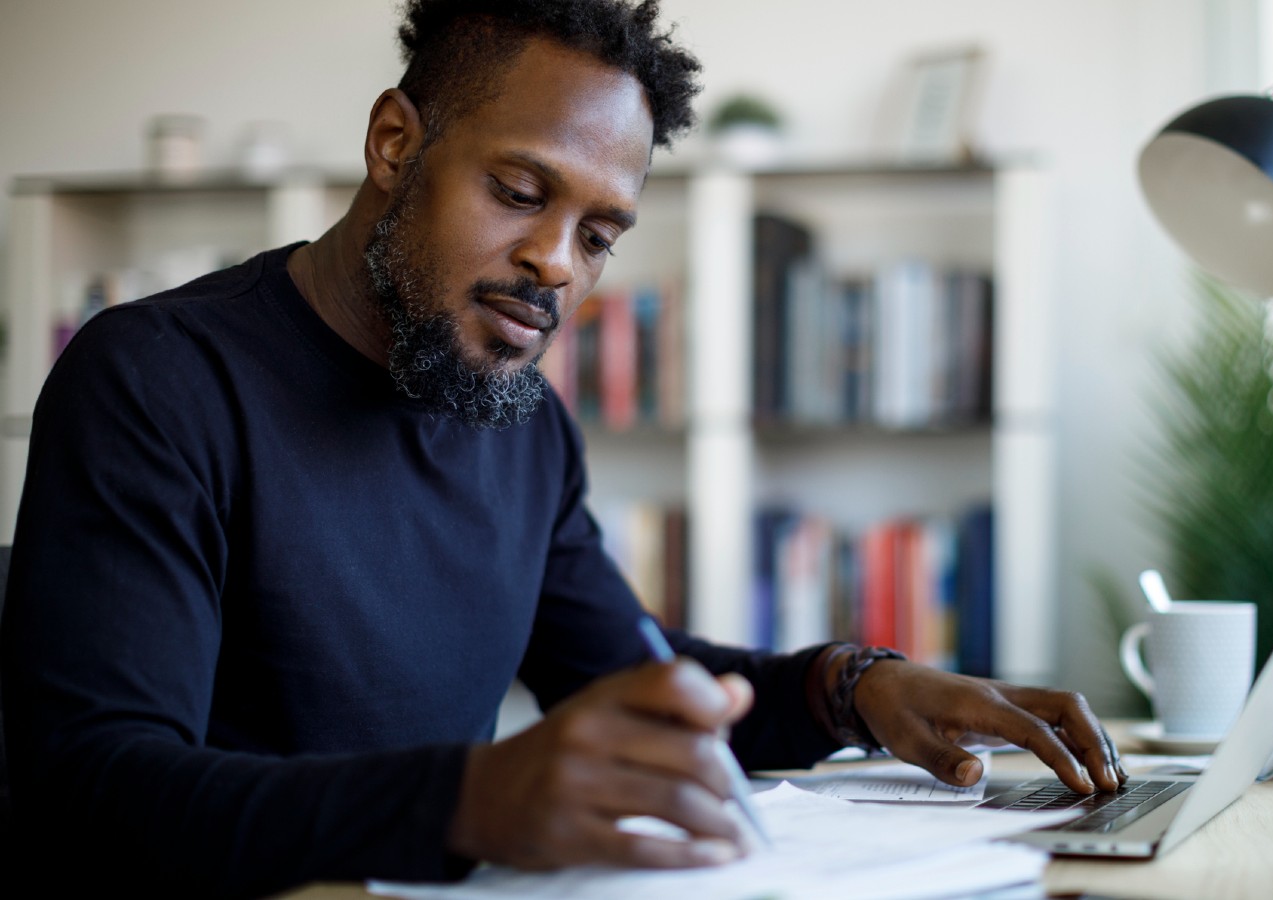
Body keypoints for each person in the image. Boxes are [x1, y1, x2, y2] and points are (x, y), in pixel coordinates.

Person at [0, 1, 1125, 896]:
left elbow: (641, 676)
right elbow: (96, 787)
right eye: (519, 191)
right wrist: (467, 802)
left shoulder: (526, 428)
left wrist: (849, 688)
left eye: (598, 234)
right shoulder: (156, 379)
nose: (556, 264)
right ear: (395, 143)